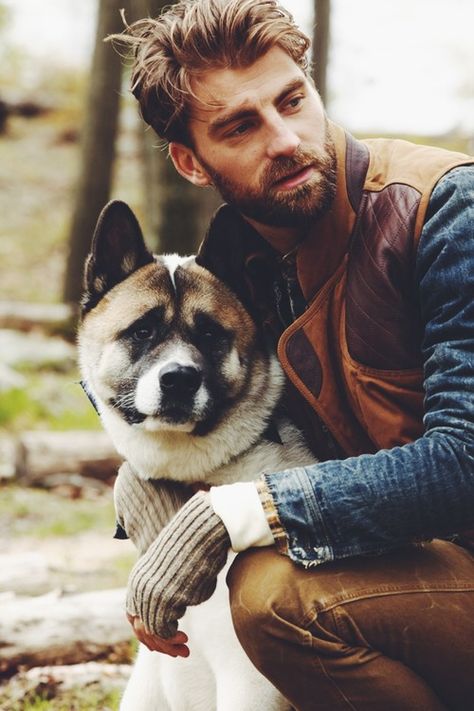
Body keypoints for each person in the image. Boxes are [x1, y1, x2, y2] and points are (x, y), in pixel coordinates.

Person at [112, 1, 474, 708]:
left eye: (292, 101)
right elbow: (136, 357)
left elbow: (465, 460)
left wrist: (237, 512)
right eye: (240, 126)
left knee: (275, 596)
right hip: (407, 568)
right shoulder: (242, 266)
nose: (284, 139)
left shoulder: (445, 210)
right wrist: (142, 470)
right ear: (190, 160)